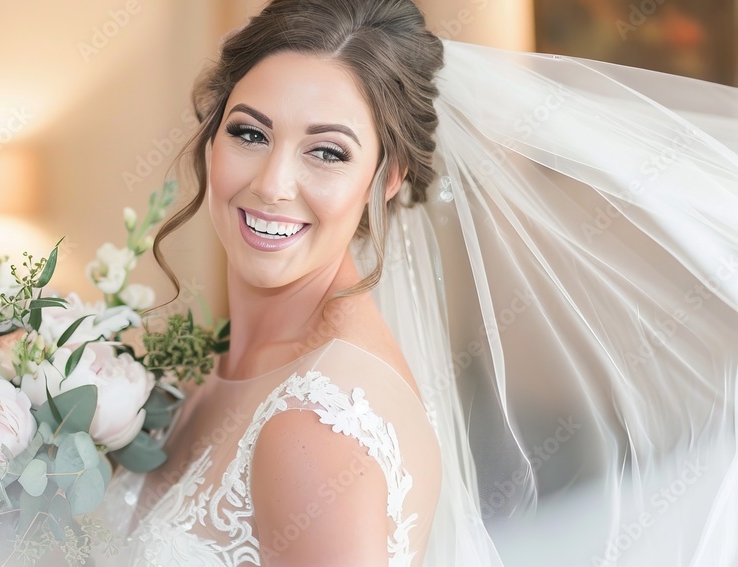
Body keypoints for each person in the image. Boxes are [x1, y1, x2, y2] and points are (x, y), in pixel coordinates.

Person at [97, 1, 738, 565]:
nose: (270, 183)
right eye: (249, 132)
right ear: (212, 137)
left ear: (390, 175)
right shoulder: (213, 363)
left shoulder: (314, 424)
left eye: (327, 152)